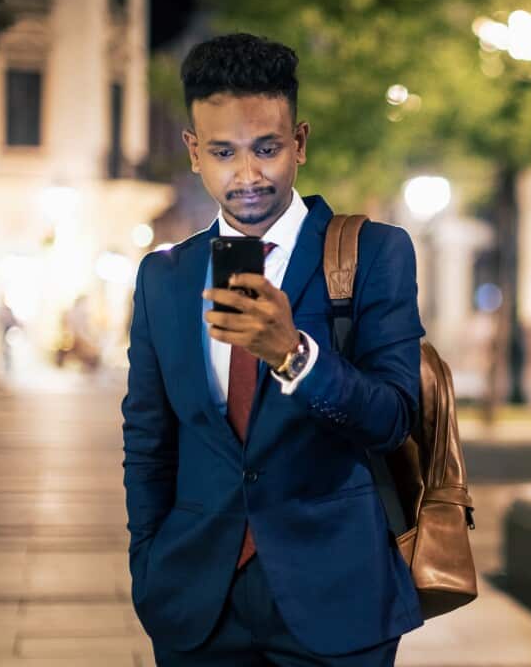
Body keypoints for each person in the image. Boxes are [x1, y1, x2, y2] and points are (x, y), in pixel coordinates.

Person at [121, 34, 424, 666]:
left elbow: (394, 417)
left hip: (338, 600)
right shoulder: (165, 278)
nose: (249, 175)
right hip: (197, 603)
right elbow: (148, 438)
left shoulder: (372, 254)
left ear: (301, 143)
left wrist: (295, 354)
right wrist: (148, 561)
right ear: (194, 153)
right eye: (224, 152)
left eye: (267, 148)